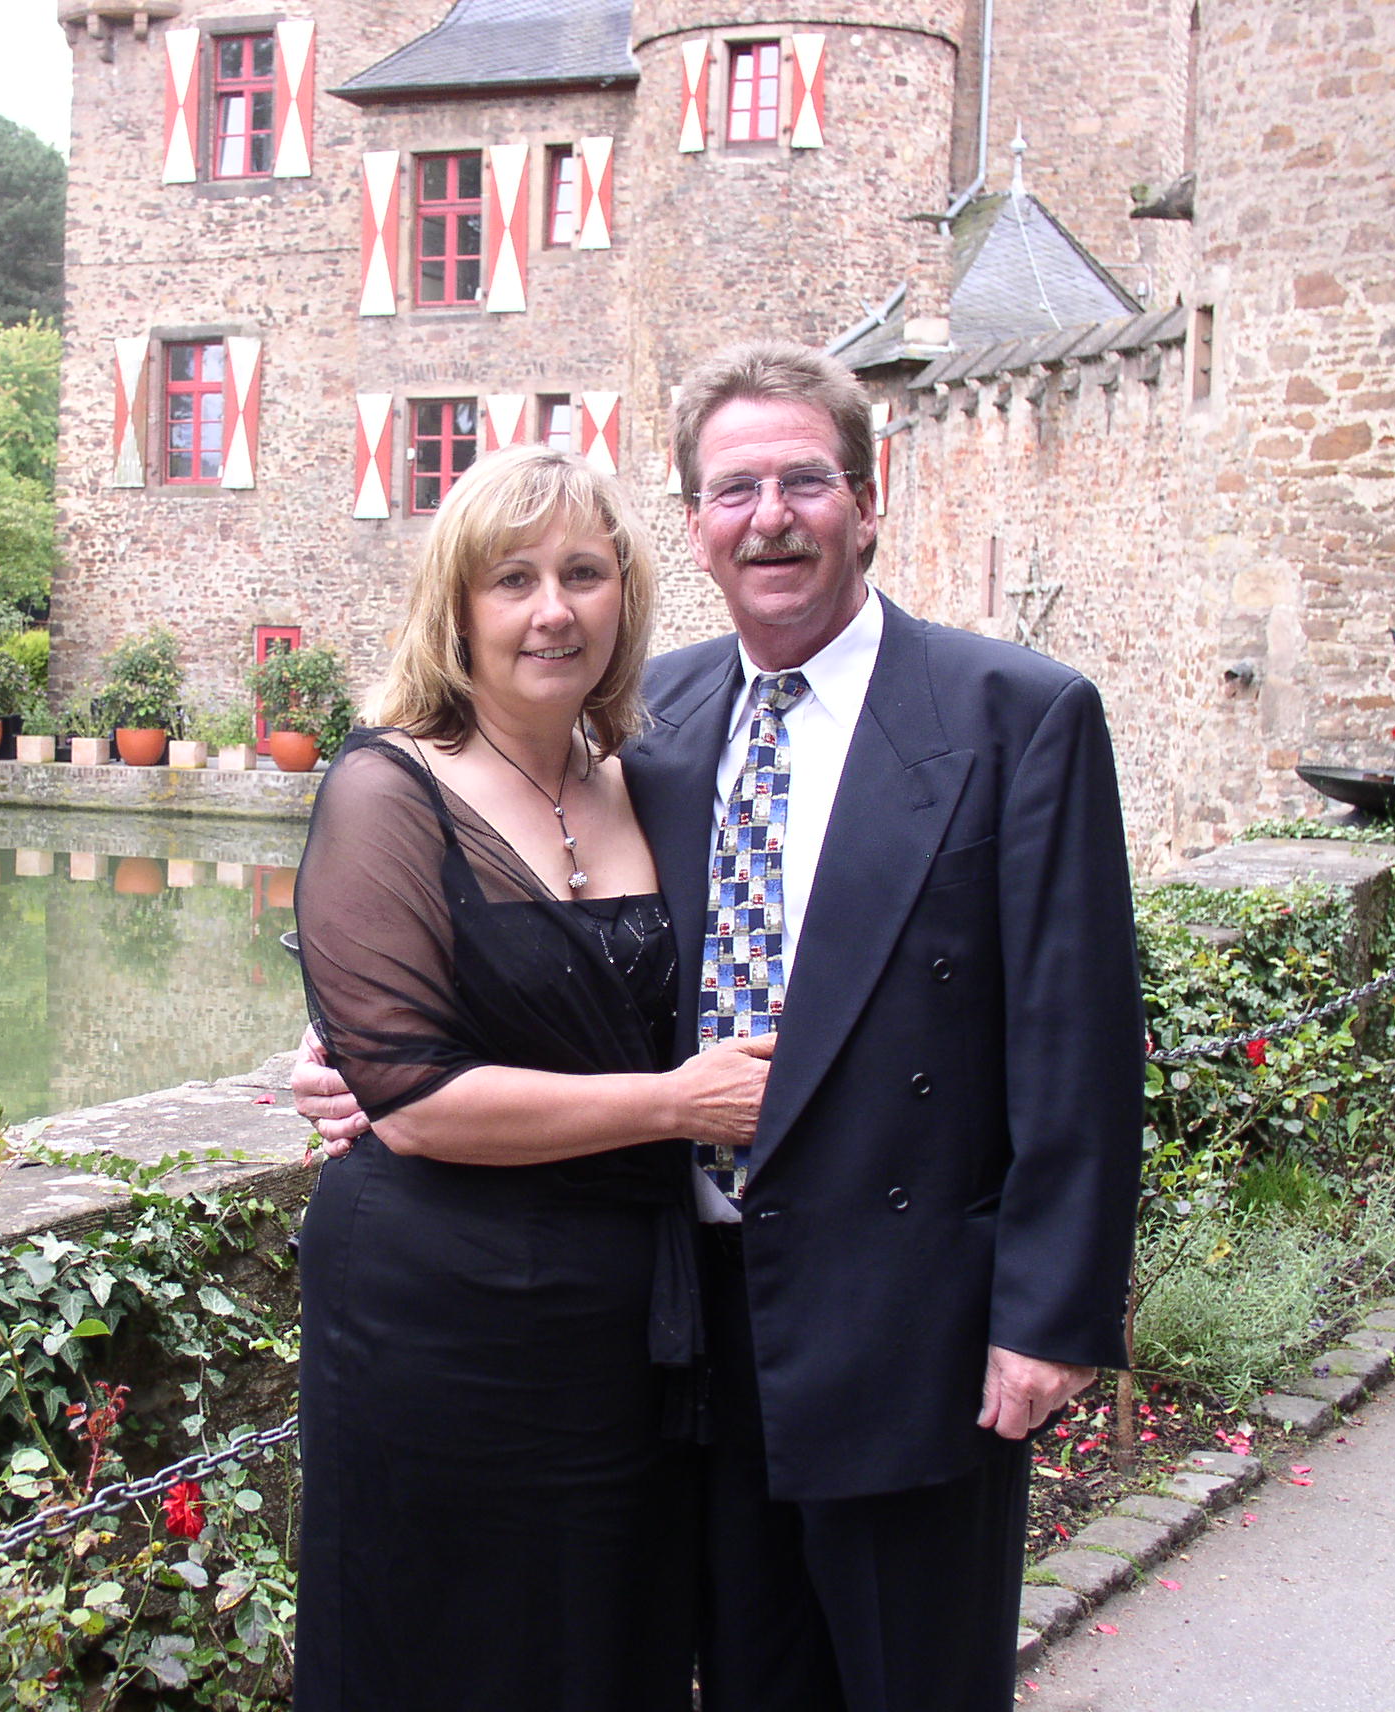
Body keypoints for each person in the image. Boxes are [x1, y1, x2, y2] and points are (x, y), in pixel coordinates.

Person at [296, 341, 1143, 1712]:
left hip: (903, 1322)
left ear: (867, 498)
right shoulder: (655, 724)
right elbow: (539, 952)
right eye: (733, 491)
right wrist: (351, 1058)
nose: (770, 518)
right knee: (741, 1681)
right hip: (679, 1331)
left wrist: (1046, 1320)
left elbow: (1079, 1040)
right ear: (693, 526)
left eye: (803, 481)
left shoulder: (1014, 715)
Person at [290, 443, 775, 1712]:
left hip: (623, 1324)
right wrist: (675, 1102)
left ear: (625, 596)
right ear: (456, 606)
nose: (550, 609)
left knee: (602, 1646)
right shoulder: (387, 785)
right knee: (439, 1647)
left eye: (581, 573)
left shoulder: (649, 780)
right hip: (435, 1312)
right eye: (511, 579)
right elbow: (411, 1096)